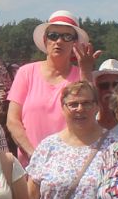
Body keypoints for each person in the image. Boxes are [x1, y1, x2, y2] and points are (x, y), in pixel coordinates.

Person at [7, 11, 96, 157]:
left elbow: (91, 114)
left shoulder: (82, 76)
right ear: (44, 39)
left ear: (75, 43)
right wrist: (33, 155)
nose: (59, 41)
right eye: (53, 35)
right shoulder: (26, 72)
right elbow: (12, 120)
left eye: (67, 36)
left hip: (70, 164)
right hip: (30, 166)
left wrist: (86, 71)